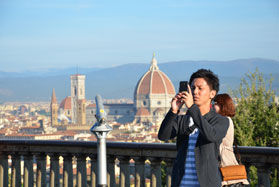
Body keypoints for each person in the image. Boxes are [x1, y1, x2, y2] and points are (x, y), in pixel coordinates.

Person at [158, 69, 230, 187]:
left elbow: (210, 135)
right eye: (192, 88)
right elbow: (163, 135)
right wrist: (173, 111)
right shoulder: (183, 120)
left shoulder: (221, 121)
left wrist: (192, 107)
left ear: (212, 93)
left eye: (200, 88)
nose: (195, 92)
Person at [214, 93, 249, 186]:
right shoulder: (225, 119)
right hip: (225, 159)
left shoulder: (225, 120)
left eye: (216, 103)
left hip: (225, 161)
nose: (214, 105)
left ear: (223, 105)